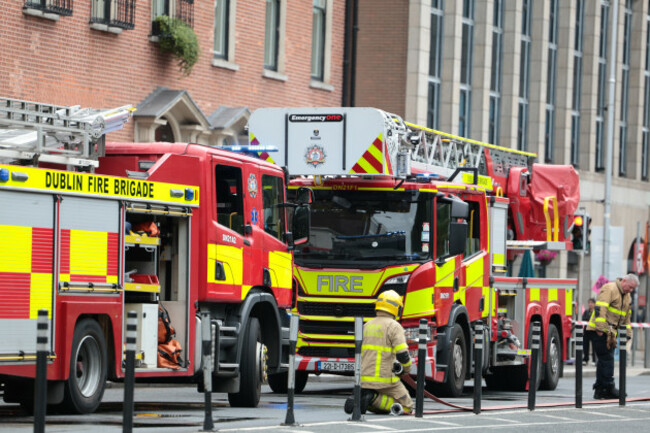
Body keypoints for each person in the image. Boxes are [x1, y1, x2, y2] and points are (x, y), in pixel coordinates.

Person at [344, 290, 413, 415]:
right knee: (406, 408)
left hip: (363, 379)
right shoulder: (394, 326)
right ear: (396, 308)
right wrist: (407, 369)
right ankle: (374, 398)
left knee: (369, 399)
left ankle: (365, 398)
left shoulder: (367, 325)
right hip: (385, 380)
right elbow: (402, 354)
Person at [586, 273, 639, 399]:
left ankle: (600, 389)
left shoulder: (627, 296)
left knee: (604, 361)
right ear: (624, 280)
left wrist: (628, 333)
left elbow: (627, 317)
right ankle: (608, 386)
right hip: (600, 330)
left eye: (633, 289)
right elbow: (600, 309)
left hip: (611, 332)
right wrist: (600, 329)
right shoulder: (609, 288)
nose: (630, 290)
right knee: (607, 359)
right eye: (630, 287)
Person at [582, 298, 597, 365]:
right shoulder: (586, 312)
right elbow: (583, 319)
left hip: (594, 331)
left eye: (591, 303)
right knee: (585, 345)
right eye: (589, 303)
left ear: (594, 304)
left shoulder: (596, 312)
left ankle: (594, 360)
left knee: (594, 346)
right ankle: (585, 359)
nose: (590, 304)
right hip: (587, 330)